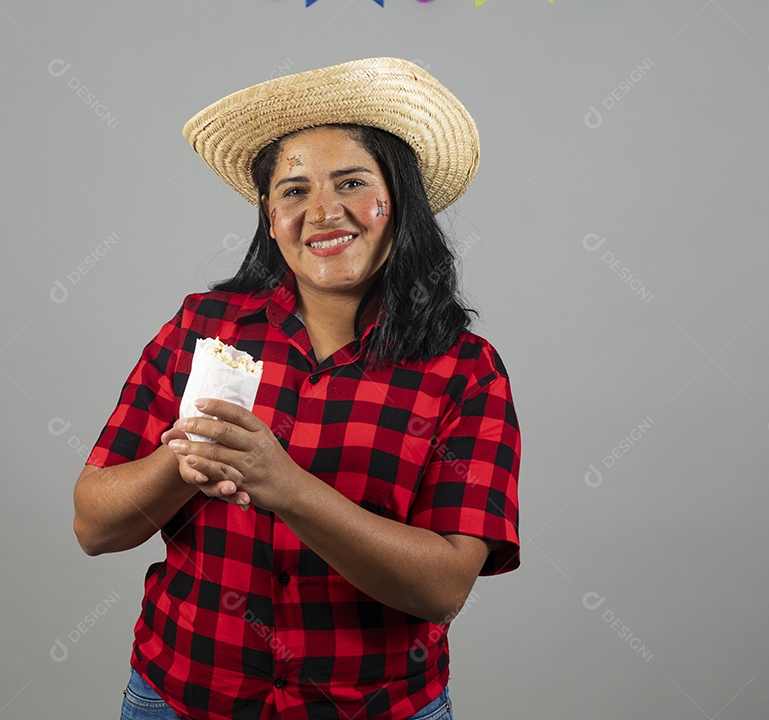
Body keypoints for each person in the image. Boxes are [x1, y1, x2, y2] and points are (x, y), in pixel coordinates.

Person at [72, 57, 521, 720]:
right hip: (180, 698)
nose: (322, 211)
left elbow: (444, 587)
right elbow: (93, 526)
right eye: (294, 190)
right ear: (268, 212)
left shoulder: (466, 371)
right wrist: (184, 460)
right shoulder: (203, 327)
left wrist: (287, 486)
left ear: (397, 200)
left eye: (350, 182)